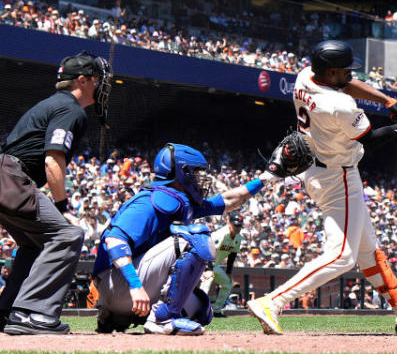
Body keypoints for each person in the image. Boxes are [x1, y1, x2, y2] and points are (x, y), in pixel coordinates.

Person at [247, 40, 397, 336]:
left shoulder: (306, 75)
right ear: (330, 72)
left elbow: (347, 84)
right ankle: (272, 301)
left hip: (317, 169)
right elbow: (370, 139)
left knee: (368, 250)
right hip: (337, 176)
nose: (349, 75)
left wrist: (387, 101)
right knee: (342, 256)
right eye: (343, 71)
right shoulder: (339, 105)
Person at [92, 144, 278, 335]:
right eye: (195, 173)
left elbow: (230, 200)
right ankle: (161, 319)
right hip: (119, 285)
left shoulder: (177, 200)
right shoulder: (150, 201)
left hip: (123, 288)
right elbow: (115, 240)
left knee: (202, 310)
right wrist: (135, 285)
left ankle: (119, 318)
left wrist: (268, 177)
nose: (199, 180)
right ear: (182, 173)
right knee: (197, 237)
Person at [0, 51, 111, 334]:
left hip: (7, 176)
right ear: (84, 81)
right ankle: (31, 314)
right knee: (68, 234)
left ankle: (6, 311)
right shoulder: (70, 109)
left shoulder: (56, 103)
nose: (101, 86)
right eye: (98, 79)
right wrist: (62, 206)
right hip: (11, 176)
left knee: (35, 243)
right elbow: (53, 159)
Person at [202, 214, 244, 316]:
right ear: (229, 224)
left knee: (228, 283)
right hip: (202, 262)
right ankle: (200, 310)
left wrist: (229, 272)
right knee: (208, 281)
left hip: (214, 264)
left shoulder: (238, 237)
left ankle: (216, 310)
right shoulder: (221, 234)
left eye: (239, 226)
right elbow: (208, 250)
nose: (238, 228)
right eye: (235, 225)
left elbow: (232, 255)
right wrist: (209, 269)